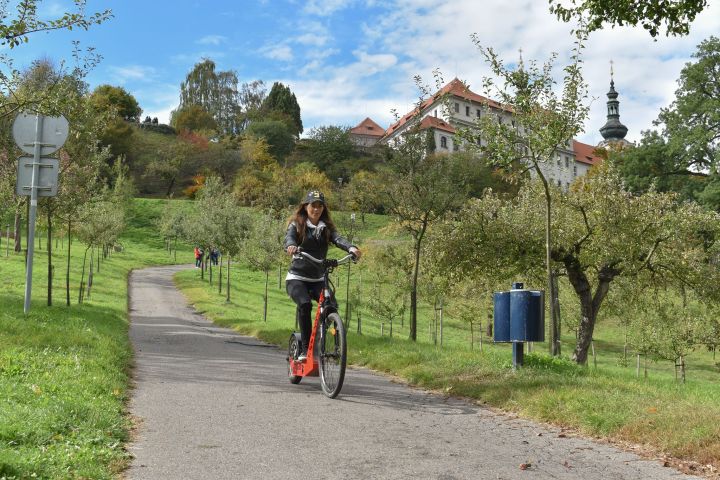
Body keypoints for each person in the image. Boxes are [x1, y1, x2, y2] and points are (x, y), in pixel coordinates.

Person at [284, 190, 361, 361]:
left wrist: (351, 248)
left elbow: (338, 239)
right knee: (304, 304)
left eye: (320, 206)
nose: (316, 209)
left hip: (318, 278)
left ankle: (320, 338)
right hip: (297, 278)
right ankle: (305, 350)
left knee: (331, 307)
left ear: (323, 208)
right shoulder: (297, 224)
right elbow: (289, 238)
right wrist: (291, 246)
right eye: (313, 205)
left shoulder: (326, 227)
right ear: (306, 206)